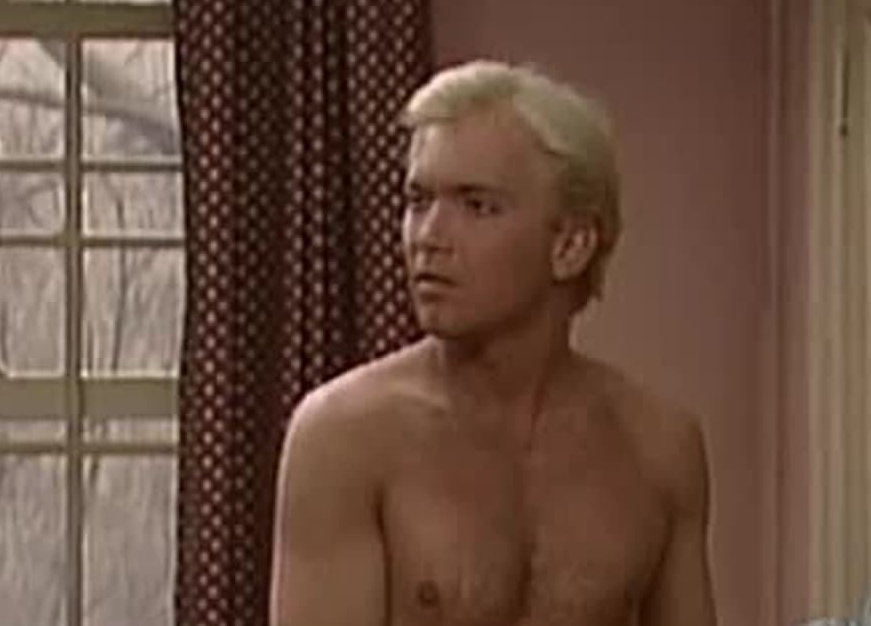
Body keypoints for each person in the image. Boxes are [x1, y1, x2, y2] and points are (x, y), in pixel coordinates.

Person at [270, 60, 716, 626]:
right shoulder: (345, 437)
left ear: (570, 246)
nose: (428, 237)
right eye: (418, 201)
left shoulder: (659, 447)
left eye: (476, 205)